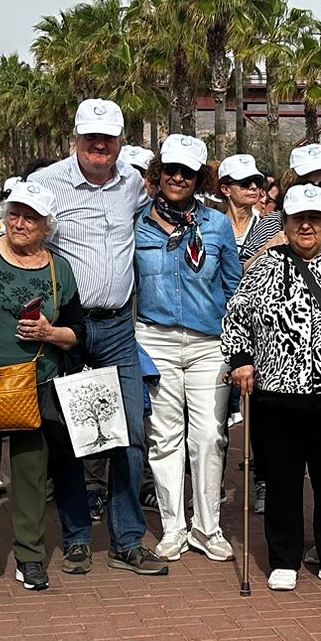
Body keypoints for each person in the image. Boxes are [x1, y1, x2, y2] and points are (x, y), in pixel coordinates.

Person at [34, 99, 169, 576]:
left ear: (119, 140)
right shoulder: (46, 183)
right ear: (75, 138)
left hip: (116, 329)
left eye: (108, 137)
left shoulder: (132, 181)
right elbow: (21, 238)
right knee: (70, 436)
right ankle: (74, 537)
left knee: (130, 435)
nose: (99, 145)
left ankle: (127, 539)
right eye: (91, 136)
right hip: (66, 328)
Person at [222, 183, 321, 592]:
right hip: (276, 391)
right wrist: (241, 361)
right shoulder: (264, 266)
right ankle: (284, 558)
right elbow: (235, 318)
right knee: (281, 478)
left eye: (314, 219)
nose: (306, 226)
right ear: (285, 222)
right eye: (298, 218)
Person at [0, 180, 84, 593]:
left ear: (47, 226)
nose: (19, 223)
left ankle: (30, 556)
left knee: (31, 471)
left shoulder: (59, 269)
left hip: (35, 385)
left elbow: (78, 332)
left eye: (30, 217)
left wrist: (50, 332)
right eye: (14, 213)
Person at [135, 134, 242, 561]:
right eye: (171, 170)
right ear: (159, 174)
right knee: (163, 438)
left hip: (209, 343)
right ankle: (174, 527)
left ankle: (207, 527)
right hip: (154, 338)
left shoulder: (216, 225)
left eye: (188, 172)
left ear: (200, 179)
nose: (178, 178)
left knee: (209, 438)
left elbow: (233, 287)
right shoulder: (137, 222)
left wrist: (238, 347)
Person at [217, 154, 282, 267]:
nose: (253, 187)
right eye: (245, 182)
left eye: (257, 181)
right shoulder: (212, 228)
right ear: (225, 189)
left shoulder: (269, 227)